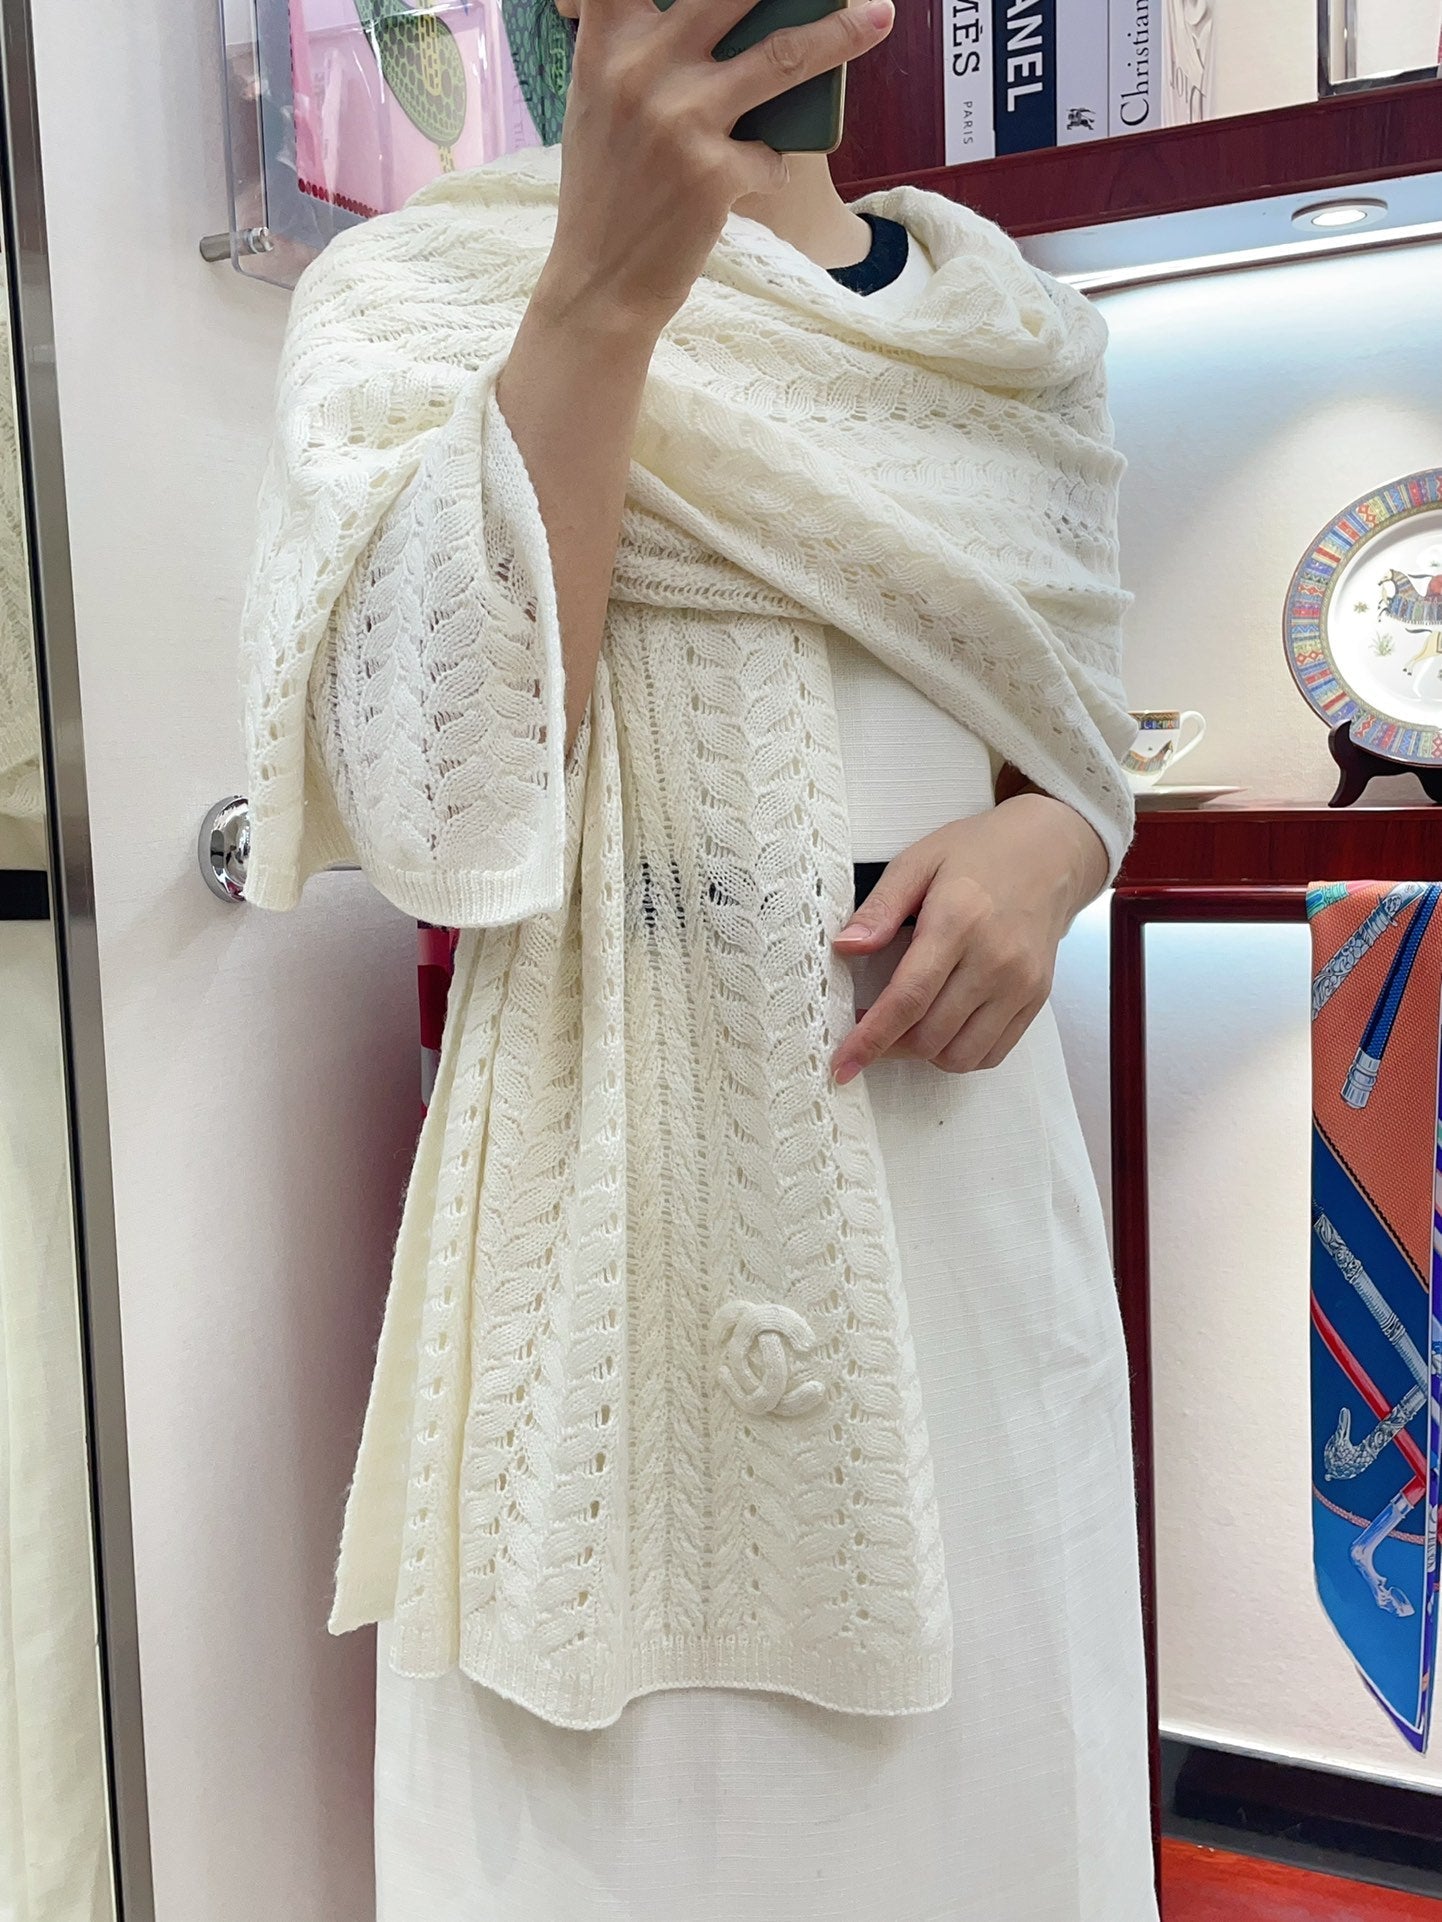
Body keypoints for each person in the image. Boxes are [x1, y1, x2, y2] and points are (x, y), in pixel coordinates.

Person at [239, 0, 1159, 1914]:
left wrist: (1064, 843)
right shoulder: (415, 294)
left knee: (992, 1801)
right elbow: (425, 799)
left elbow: (1070, 728)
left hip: (961, 1202)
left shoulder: (1012, 341)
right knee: (633, 1829)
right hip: (610, 1222)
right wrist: (596, 293)